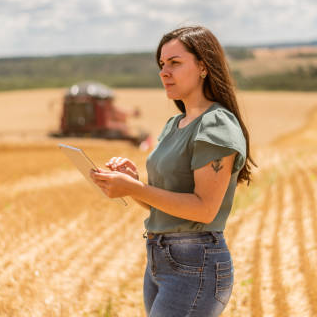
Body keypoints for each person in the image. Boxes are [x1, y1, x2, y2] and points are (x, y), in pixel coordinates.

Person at [90, 25, 254, 316]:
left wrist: (133, 189)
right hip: (160, 260)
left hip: (194, 264)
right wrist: (132, 182)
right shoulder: (174, 124)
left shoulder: (215, 124)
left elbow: (204, 210)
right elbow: (164, 202)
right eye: (162, 64)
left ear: (203, 66)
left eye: (175, 63)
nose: (164, 72)